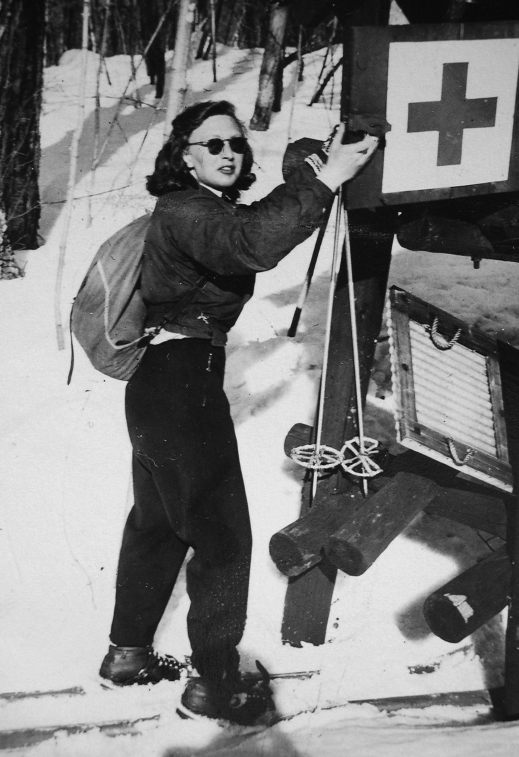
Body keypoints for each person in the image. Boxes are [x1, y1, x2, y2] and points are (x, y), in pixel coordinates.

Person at [99, 100, 378, 724]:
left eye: (235, 143)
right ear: (185, 156)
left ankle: (127, 655)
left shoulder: (203, 208)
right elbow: (252, 243)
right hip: (181, 385)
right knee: (222, 538)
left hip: (160, 384)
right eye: (213, 144)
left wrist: (319, 164)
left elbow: (259, 220)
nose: (229, 153)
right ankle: (215, 685)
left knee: (158, 524)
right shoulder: (185, 208)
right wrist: (329, 176)